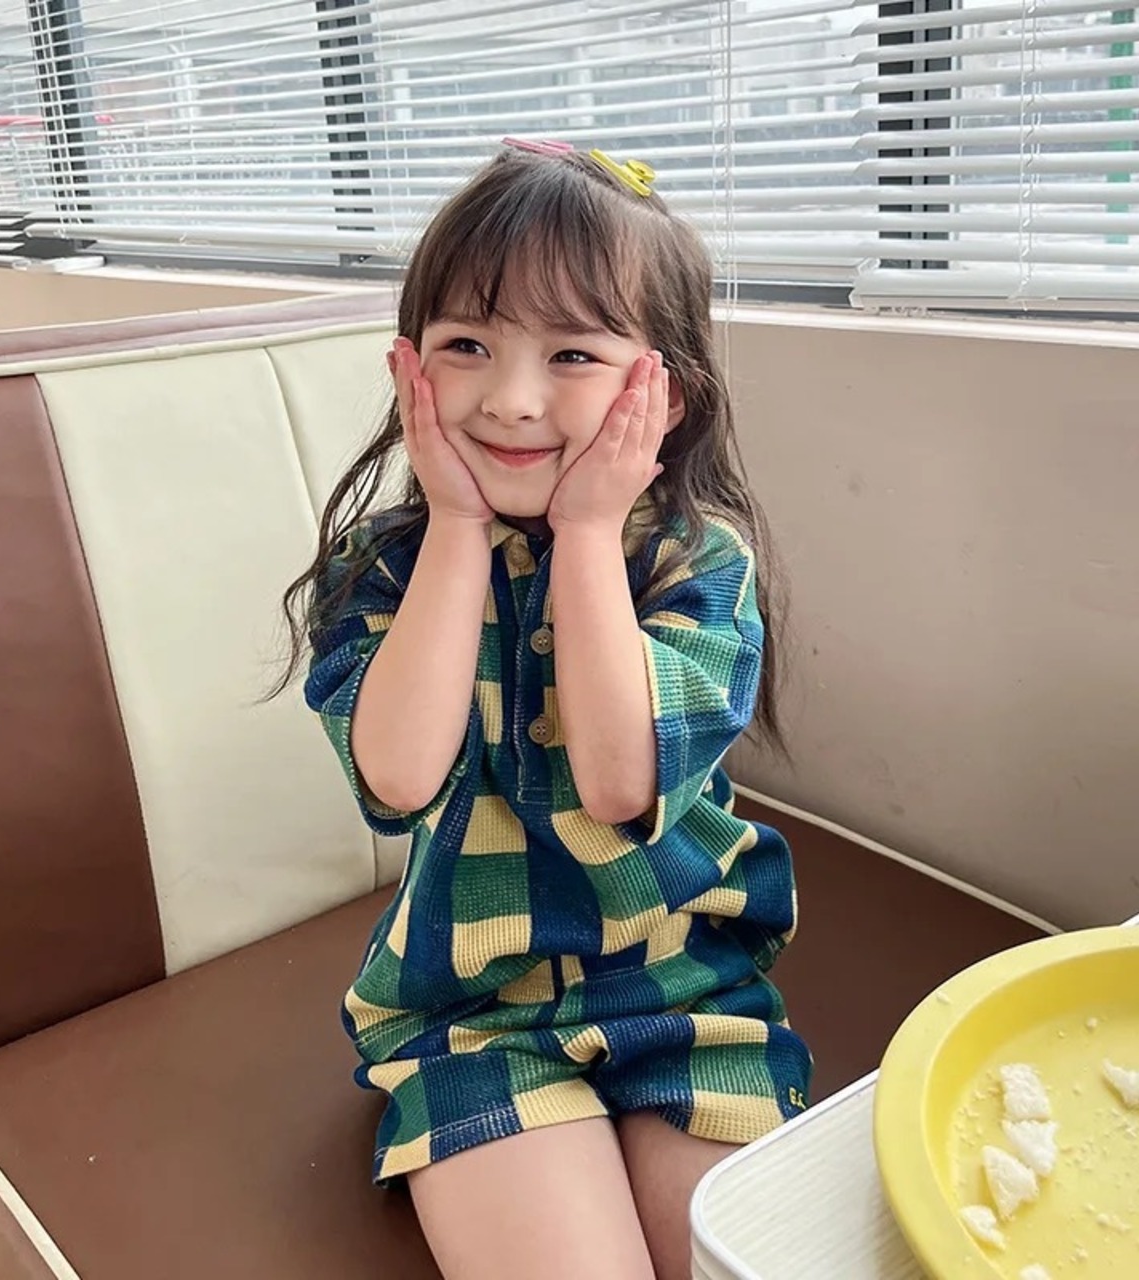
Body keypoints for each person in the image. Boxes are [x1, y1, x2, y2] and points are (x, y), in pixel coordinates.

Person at [277, 139, 812, 1280]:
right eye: (466, 345)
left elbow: (622, 782)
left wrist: (585, 532)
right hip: (468, 1014)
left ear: (660, 393)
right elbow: (397, 778)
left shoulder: (695, 564)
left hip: (689, 988)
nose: (512, 400)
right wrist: (457, 527)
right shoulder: (380, 570)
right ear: (409, 367)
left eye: (571, 352)